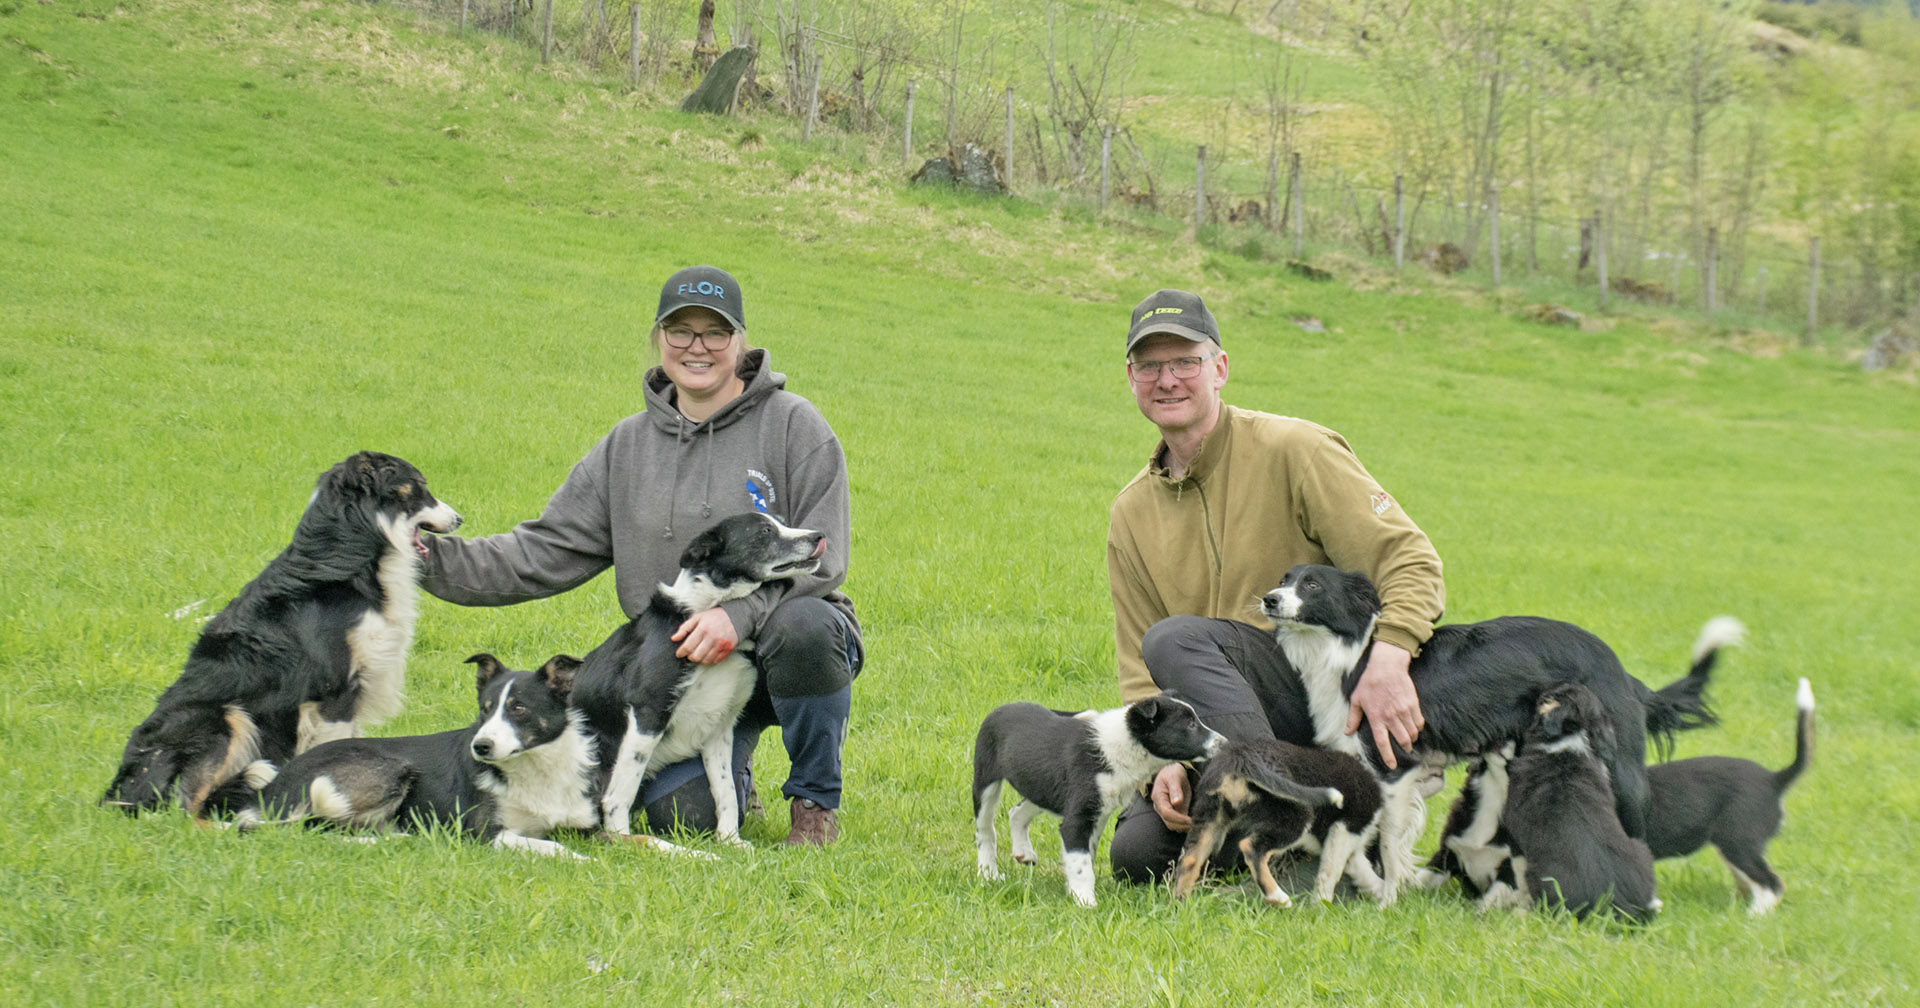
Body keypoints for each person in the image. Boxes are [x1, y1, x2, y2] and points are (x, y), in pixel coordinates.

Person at [421, 265, 861, 846]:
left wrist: (739, 616)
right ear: (658, 337)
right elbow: (541, 550)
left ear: (741, 341)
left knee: (806, 626)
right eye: (680, 331)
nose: (696, 347)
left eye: (715, 333)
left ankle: (813, 805)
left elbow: (825, 558)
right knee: (683, 819)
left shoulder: (795, 426)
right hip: (681, 674)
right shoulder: (626, 447)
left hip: (783, 649)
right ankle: (734, 776)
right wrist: (419, 558)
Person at [1104, 288, 1444, 883]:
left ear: (1221, 368)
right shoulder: (1131, 512)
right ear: (1130, 378)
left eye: (1185, 361)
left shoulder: (1297, 450)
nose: (1168, 380)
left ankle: (1298, 820)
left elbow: (1409, 559)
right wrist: (1164, 757)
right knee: (1137, 858)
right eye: (1151, 366)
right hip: (1217, 716)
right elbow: (1138, 667)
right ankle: (1285, 836)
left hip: (1314, 698)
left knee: (1176, 640)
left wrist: (1391, 656)